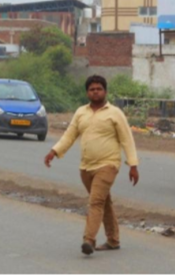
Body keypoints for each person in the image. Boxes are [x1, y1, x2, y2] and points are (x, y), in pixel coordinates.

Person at [44, 75, 140, 256]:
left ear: (105, 91)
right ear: (87, 93)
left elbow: (127, 140)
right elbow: (69, 135)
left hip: (108, 165)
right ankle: (113, 240)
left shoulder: (115, 113)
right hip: (86, 167)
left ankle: (89, 239)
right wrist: (54, 151)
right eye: (92, 89)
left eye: (99, 89)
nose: (95, 92)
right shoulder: (81, 112)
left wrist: (133, 165)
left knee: (95, 202)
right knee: (104, 202)